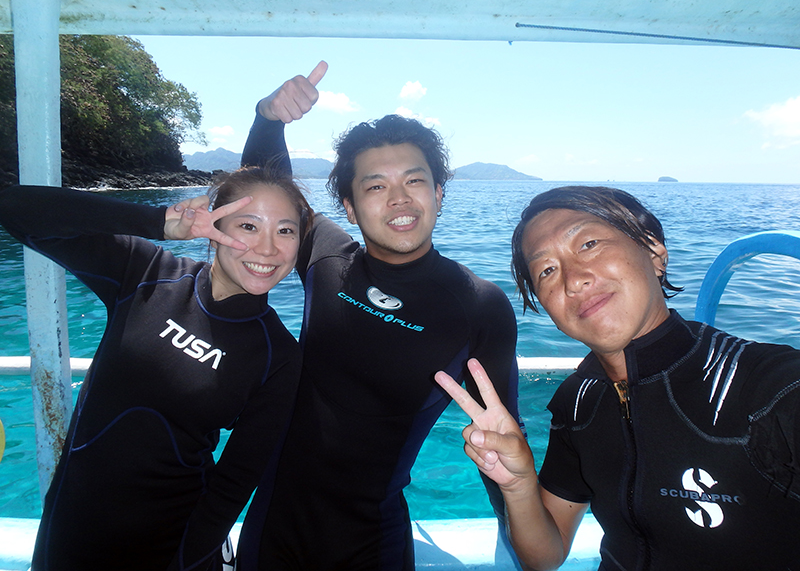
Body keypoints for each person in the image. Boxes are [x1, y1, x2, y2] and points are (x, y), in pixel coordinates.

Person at [234, 64, 523, 570]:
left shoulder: (478, 305)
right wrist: (268, 118)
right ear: (349, 206)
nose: (399, 199)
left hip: (372, 542)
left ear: (438, 193)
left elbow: (500, 441)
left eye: (415, 181)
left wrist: (520, 543)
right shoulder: (326, 257)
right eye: (375, 187)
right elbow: (266, 190)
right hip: (272, 526)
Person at [436, 185, 800, 570]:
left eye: (589, 244)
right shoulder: (579, 402)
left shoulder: (772, 388)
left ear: (654, 252)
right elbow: (544, 558)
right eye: (547, 270)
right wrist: (519, 484)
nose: (573, 280)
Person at [0, 165, 313, 571]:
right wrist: (157, 222)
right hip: (71, 530)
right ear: (213, 225)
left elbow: (236, 480)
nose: (268, 249)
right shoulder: (146, 273)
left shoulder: (278, 355)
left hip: (171, 544)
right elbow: (14, 208)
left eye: (285, 231)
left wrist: (187, 561)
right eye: (249, 226)